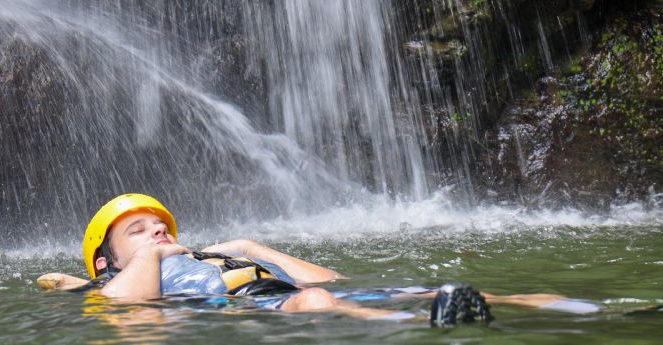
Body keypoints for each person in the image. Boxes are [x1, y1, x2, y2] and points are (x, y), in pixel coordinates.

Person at [37, 194, 600, 326]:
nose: (158, 233)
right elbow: (121, 305)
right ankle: (414, 328)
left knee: (436, 284)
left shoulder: (206, 253)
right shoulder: (112, 280)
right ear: (106, 260)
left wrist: (253, 247)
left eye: (162, 226)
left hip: (281, 286)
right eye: (138, 231)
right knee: (316, 300)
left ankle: (592, 310)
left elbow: (335, 275)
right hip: (252, 309)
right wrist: (90, 275)